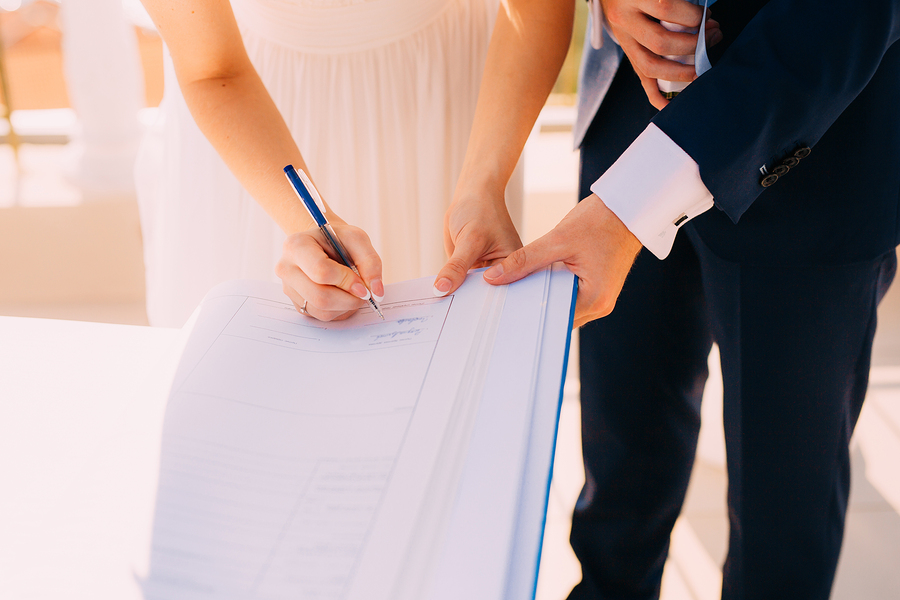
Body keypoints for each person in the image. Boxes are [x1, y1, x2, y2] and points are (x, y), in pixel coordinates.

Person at [433, 0, 900, 598]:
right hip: (629, 107)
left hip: (815, 153)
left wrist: (627, 209)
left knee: (781, 522)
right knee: (617, 478)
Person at [136, 0, 522, 327]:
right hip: (251, 123)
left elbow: (536, 11)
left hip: (456, 101)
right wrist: (309, 222)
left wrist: (483, 182)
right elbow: (211, 67)